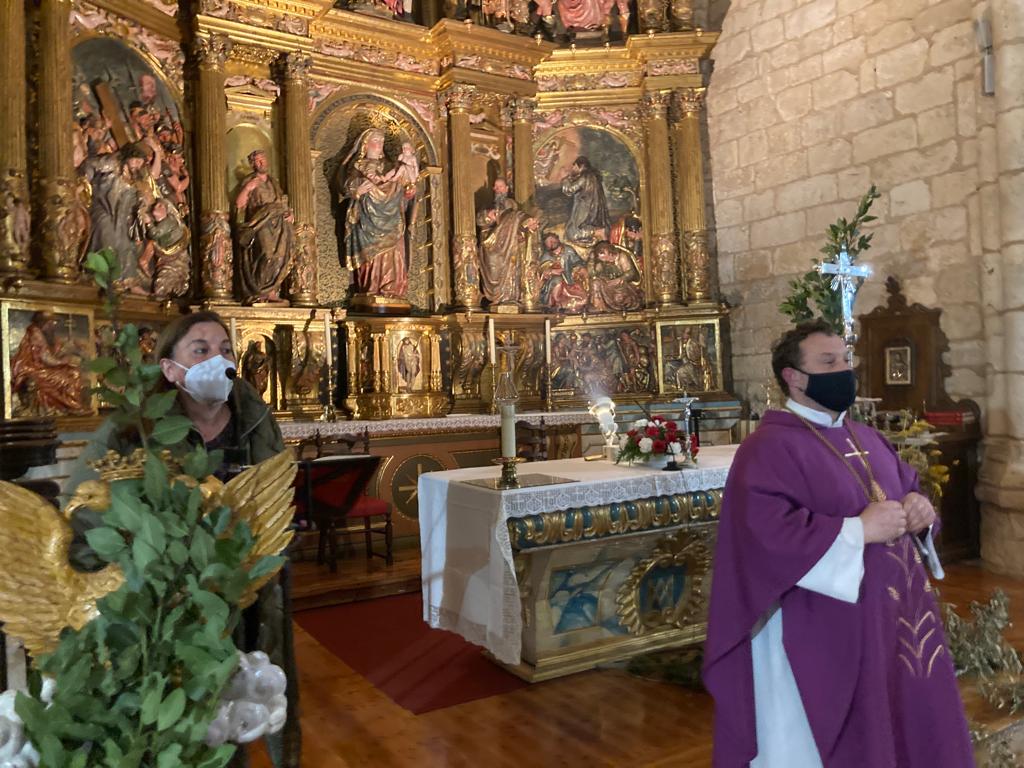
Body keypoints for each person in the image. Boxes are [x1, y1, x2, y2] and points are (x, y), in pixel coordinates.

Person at [702, 319, 973, 767]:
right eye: (828, 362)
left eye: (845, 360)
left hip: (894, 618)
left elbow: (905, 492)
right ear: (793, 376)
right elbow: (765, 535)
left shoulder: (865, 437)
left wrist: (921, 515)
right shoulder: (767, 448)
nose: (843, 371)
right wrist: (857, 532)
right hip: (818, 628)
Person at [337, 128, 414, 299]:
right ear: (366, 144)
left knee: (393, 251)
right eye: (375, 140)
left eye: (381, 140)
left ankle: (392, 289)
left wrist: (408, 190)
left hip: (392, 216)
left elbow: (405, 187)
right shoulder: (358, 165)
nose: (379, 143)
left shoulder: (391, 166)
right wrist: (359, 187)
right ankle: (371, 288)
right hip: (367, 218)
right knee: (371, 255)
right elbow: (347, 186)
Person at [235, 150, 294, 304]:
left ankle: (272, 292)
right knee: (267, 254)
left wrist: (289, 214)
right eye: (257, 161)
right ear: (252, 164)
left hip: (278, 223)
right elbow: (239, 204)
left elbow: (282, 202)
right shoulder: (250, 181)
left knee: (280, 256)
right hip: (261, 223)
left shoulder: (274, 182)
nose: (261, 163)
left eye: (263, 159)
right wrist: (247, 188)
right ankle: (259, 291)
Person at [475, 178, 538, 306]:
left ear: (507, 189)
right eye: (496, 187)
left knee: (511, 268)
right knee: (493, 265)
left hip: (510, 244)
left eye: (501, 186)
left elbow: (519, 218)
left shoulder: (513, 206)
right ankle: (496, 297)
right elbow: (479, 220)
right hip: (491, 244)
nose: (498, 189)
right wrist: (488, 216)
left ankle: (509, 298)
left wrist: (527, 223)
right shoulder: (488, 206)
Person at [560, 156, 610, 246]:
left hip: (585, 210)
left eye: (574, 166)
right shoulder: (592, 176)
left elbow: (570, 189)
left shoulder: (585, 177)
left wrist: (565, 179)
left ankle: (597, 232)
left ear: (581, 166)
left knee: (572, 232)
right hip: (592, 208)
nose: (573, 169)